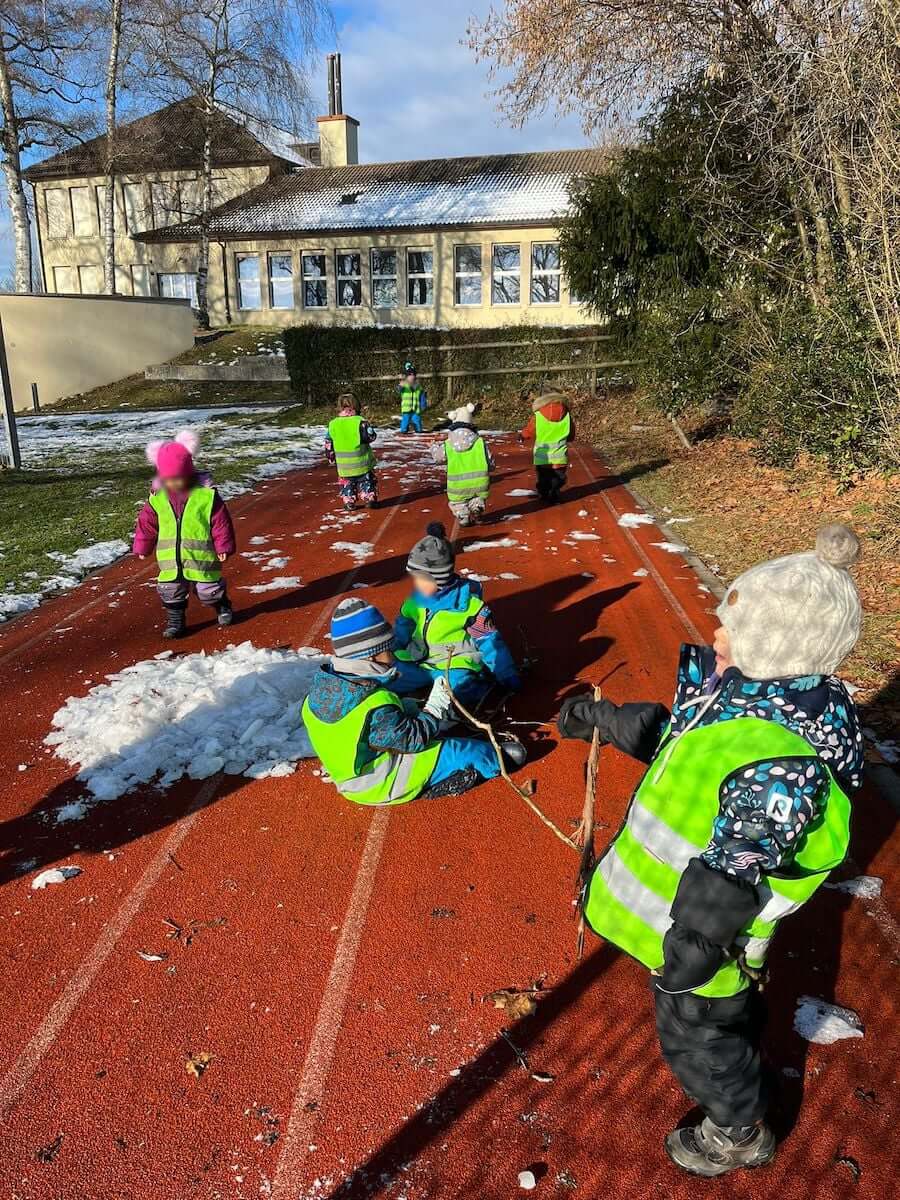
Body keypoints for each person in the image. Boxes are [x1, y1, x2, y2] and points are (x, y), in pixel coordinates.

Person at [557, 526, 864, 1178]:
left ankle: (738, 1129)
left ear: (778, 648)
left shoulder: (780, 758)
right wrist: (606, 720)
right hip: (691, 937)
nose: (716, 637)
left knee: (698, 1041)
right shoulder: (748, 695)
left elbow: (736, 863)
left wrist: (693, 948)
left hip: (705, 947)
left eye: (734, 628)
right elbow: (679, 741)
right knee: (728, 1019)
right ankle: (742, 1035)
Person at [302, 597, 526, 803]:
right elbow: (412, 739)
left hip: (353, 771)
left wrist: (409, 708)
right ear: (371, 655)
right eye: (387, 648)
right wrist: (434, 708)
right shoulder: (372, 702)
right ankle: (494, 760)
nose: (393, 653)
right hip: (378, 781)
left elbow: (366, 728)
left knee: (426, 727)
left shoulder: (323, 686)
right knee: (464, 751)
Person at [392, 523, 521, 706]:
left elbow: (489, 640)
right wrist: (395, 647)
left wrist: (506, 672)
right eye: (415, 578)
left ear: (440, 579)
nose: (416, 584)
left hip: (453, 665)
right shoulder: (415, 601)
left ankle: (479, 685)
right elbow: (403, 627)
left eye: (422, 579)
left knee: (459, 689)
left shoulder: (470, 607)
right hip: (420, 662)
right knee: (391, 678)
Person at [134, 429, 236, 639]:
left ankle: (222, 604)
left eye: (179, 478)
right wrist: (143, 546)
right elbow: (147, 523)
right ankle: (175, 621)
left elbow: (220, 522)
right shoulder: (157, 498)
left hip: (202, 556)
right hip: (171, 558)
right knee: (171, 590)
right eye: (169, 479)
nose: (174, 484)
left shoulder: (206, 497)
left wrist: (223, 546)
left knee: (209, 591)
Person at [432, 403, 495, 526]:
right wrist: (491, 468)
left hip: (457, 486)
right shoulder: (480, 442)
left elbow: (438, 458)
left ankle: (463, 515)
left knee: (457, 502)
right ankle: (477, 505)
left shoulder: (448, 444)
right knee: (477, 496)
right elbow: (490, 461)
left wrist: (433, 447)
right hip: (480, 483)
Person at [519, 389, 575, 503]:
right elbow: (571, 432)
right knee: (559, 476)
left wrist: (523, 435)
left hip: (542, 455)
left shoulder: (538, 416)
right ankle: (554, 490)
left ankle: (544, 493)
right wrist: (568, 438)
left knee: (543, 477)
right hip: (559, 455)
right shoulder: (567, 415)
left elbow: (531, 429)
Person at [325, 393, 378, 510]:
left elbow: (328, 443)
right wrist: (368, 428)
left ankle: (349, 500)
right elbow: (371, 437)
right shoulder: (360, 422)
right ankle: (369, 497)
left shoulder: (333, 424)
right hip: (362, 462)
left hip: (344, 466)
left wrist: (330, 457)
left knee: (347, 484)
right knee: (367, 481)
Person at [398, 362, 427, 434]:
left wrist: (423, 403)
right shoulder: (404, 385)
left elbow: (422, 395)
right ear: (406, 377)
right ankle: (404, 431)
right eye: (410, 375)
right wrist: (401, 385)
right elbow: (399, 389)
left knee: (417, 421)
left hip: (416, 409)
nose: (412, 376)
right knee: (405, 421)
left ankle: (418, 430)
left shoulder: (418, 386)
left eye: (413, 375)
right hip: (406, 408)